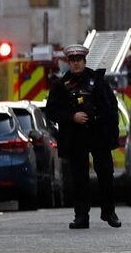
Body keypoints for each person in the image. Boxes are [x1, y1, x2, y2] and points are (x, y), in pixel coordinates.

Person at [45, 45, 122, 229]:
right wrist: (72, 117)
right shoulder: (61, 85)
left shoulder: (98, 81)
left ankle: (109, 212)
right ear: (68, 63)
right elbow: (52, 110)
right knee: (79, 178)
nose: (76, 63)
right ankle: (81, 216)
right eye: (73, 60)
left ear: (84, 62)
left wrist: (111, 132)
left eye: (79, 60)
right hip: (75, 136)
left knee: (106, 174)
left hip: (98, 134)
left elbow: (111, 106)